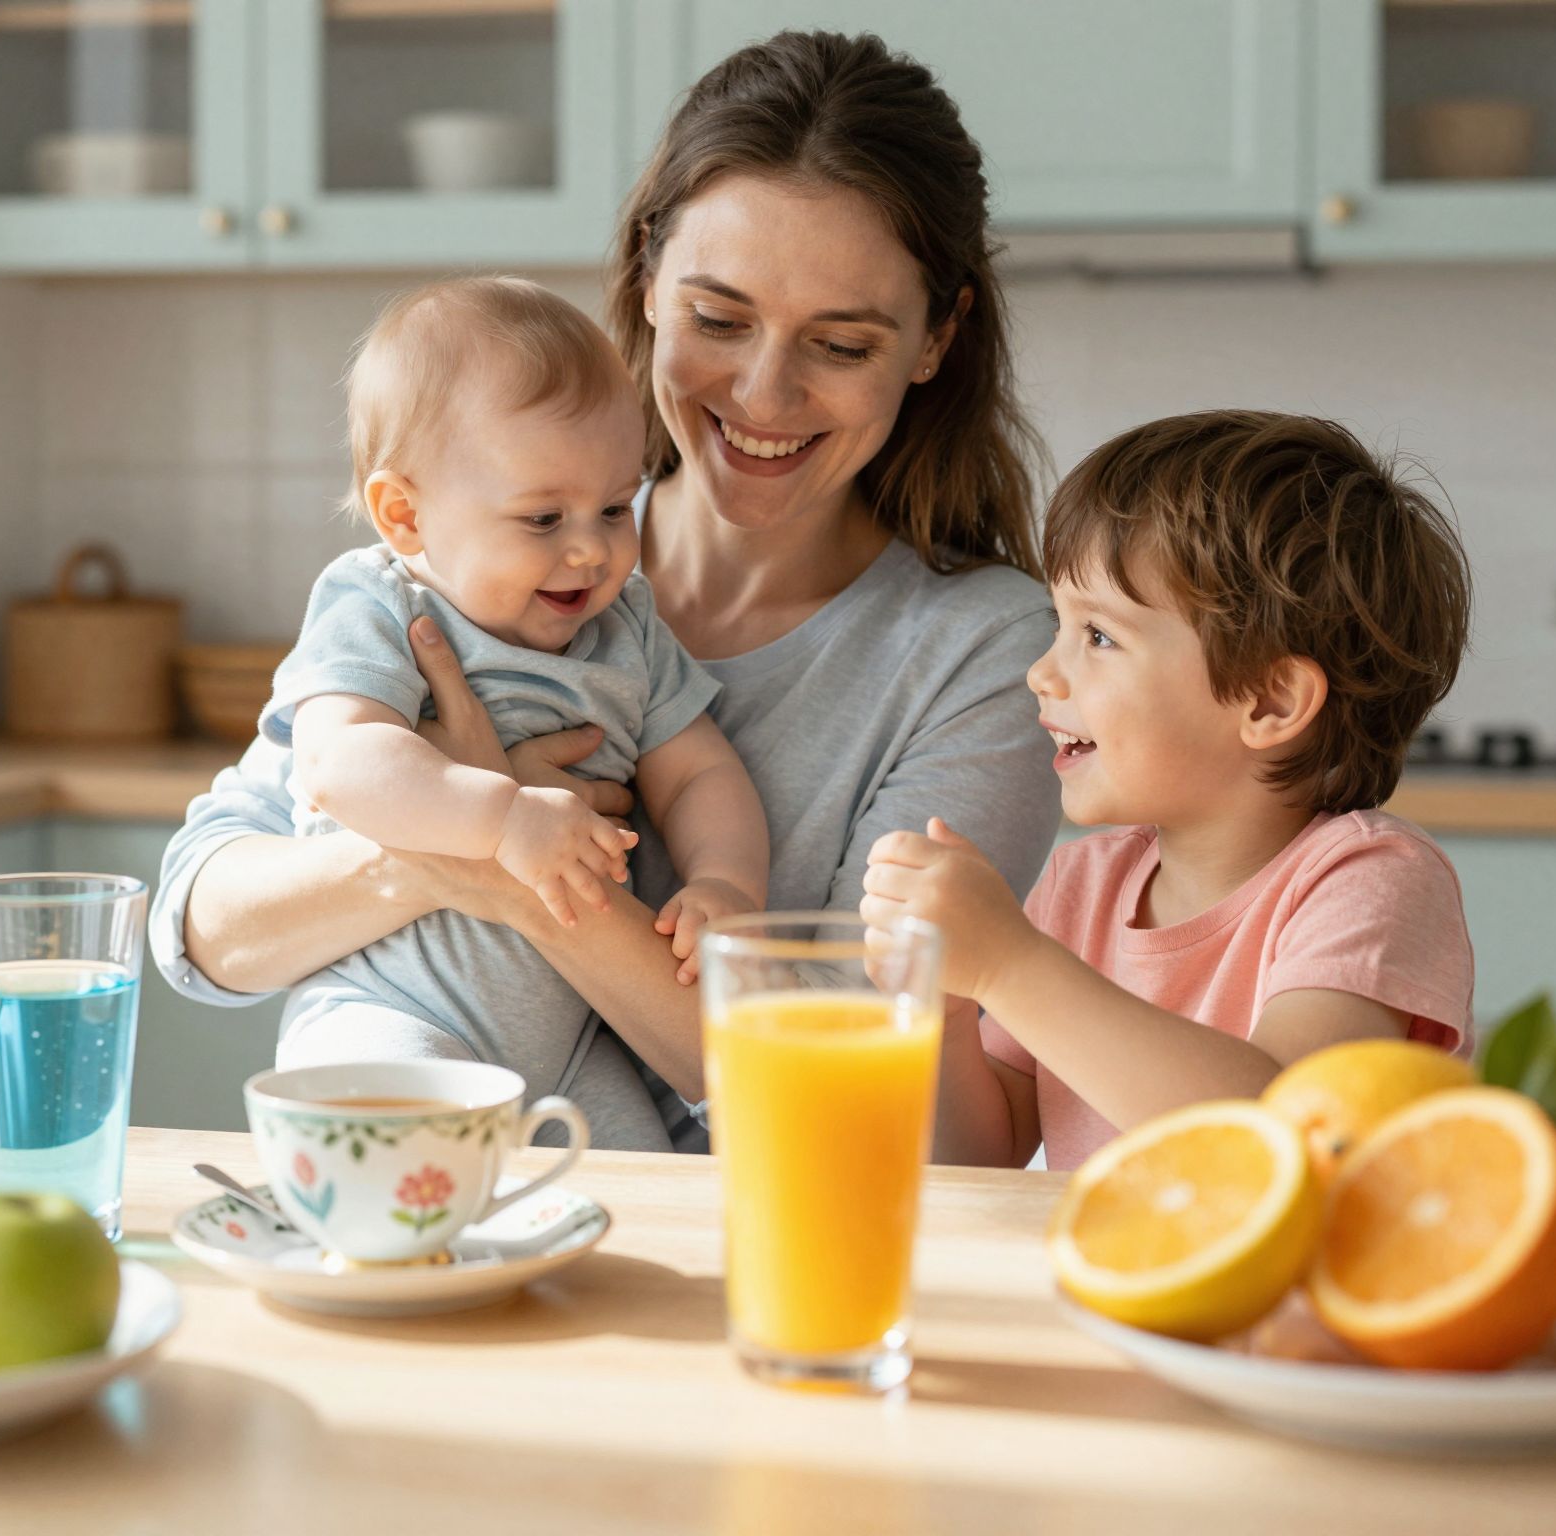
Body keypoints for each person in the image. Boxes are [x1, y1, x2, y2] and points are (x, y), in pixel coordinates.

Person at [148, 31, 1064, 1149]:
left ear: (935, 340)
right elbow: (201, 926)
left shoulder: (983, 653)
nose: (763, 393)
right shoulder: (470, 567)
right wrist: (454, 837)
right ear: (644, 276)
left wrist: (508, 865)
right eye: (718, 321)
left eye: (839, 343)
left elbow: (814, 1080)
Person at [861, 410, 1477, 1170]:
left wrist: (1010, 966)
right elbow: (981, 1157)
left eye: (1098, 637)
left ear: (1269, 702)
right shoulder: (1080, 884)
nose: (1041, 673)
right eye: (1060, 624)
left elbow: (1283, 1130)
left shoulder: (1368, 882)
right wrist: (946, 1007)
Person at [256, 278, 768, 1153]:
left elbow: (700, 771)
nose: (592, 548)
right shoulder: (374, 604)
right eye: (543, 518)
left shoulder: (627, 629)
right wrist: (501, 815)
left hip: (571, 1045)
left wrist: (726, 883)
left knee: (641, 1205)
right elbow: (340, 764)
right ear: (404, 514)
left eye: (616, 507)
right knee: (392, 1158)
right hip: (395, 1011)